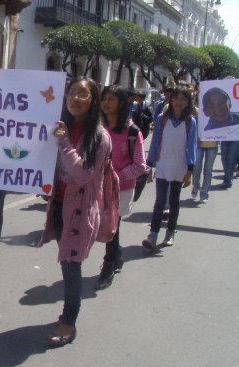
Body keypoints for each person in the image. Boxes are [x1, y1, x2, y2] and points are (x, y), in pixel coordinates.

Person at [38, 77, 112, 347]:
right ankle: (67, 315)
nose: (75, 98)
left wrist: (64, 143)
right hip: (58, 206)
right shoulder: (61, 127)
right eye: (71, 93)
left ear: (93, 101)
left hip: (80, 212)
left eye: (83, 94)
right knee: (67, 264)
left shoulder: (100, 137)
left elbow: (81, 174)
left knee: (71, 267)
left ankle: (69, 322)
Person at [96, 85, 146, 290]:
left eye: (111, 99)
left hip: (121, 189)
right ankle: (117, 258)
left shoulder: (133, 132)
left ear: (122, 103)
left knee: (111, 227)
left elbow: (140, 166)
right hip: (98, 186)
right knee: (110, 226)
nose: (106, 103)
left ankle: (108, 265)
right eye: (104, 99)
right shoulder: (97, 128)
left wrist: (116, 177)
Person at [142, 86, 197, 249]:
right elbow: (155, 140)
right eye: (176, 98)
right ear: (170, 99)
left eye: (183, 99)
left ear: (188, 102)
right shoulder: (161, 118)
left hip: (179, 167)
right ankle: (153, 235)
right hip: (163, 165)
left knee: (173, 202)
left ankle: (170, 232)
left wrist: (190, 169)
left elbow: (192, 145)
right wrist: (150, 163)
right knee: (159, 202)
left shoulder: (190, 121)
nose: (179, 102)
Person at [191, 137, 218, 203]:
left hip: (213, 145)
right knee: (196, 168)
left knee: (208, 170)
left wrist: (221, 138)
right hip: (199, 144)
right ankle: (196, 186)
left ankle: (204, 193)